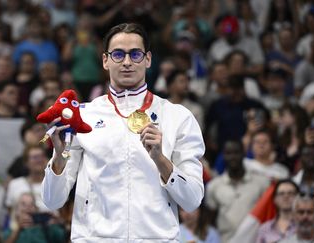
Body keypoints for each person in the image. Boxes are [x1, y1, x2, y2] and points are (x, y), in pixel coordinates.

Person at [42, 23, 205, 242]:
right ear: (105, 60)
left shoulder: (178, 117)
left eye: (135, 54)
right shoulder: (83, 116)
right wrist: (58, 157)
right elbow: (53, 201)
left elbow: (192, 199)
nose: (127, 62)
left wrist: (160, 159)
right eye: (118, 54)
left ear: (148, 59)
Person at [205, 140, 269, 243]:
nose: (233, 157)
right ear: (223, 156)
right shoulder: (214, 186)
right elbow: (211, 220)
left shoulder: (262, 183)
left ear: (244, 153)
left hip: (255, 240)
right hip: (225, 240)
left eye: (236, 152)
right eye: (228, 153)